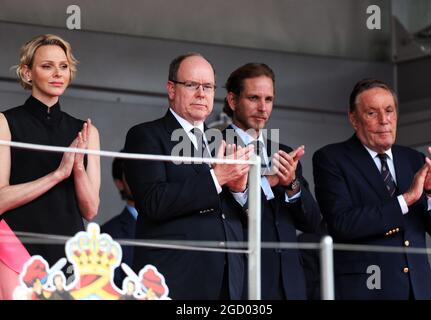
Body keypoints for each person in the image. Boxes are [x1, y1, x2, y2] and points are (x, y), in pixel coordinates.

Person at [124, 53, 251, 300]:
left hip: (227, 280)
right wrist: (216, 179)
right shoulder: (146, 135)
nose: (201, 93)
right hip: (173, 278)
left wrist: (238, 190)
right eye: (192, 85)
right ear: (171, 89)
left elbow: (237, 217)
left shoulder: (223, 142)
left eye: (208, 87)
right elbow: (153, 202)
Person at [313, 78, 431, 300]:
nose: (384, 120)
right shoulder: (331, 159)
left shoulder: (414, 159)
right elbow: (342, 224)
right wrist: (405, 200)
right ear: (354, 119)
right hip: (366, 289)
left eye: (389, 111)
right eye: (371, 113)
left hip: (418, 291)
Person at [0, 34, 101, 300]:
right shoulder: (5, 123)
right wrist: (57, 174)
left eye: (64, 66)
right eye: (47, 66)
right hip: (17, 252)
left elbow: (90, 210)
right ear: (27, 72)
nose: (58, 73)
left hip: (70, 256)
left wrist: (77, 170)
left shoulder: (86, 132)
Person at [222, 63, 322, 299]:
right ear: (232, 101)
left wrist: (291, 184)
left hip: (290, 283)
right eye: (254, 98)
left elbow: (312, 222)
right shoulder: (215, 146)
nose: (262, 107)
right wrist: (269, 183)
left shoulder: (283, 152)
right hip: (243, 280)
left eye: (268, 99)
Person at [101, 154, 137, 287]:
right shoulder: (107, 235)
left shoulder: (175, 224)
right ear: (119, 183)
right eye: (133, 174)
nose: (142, 179)